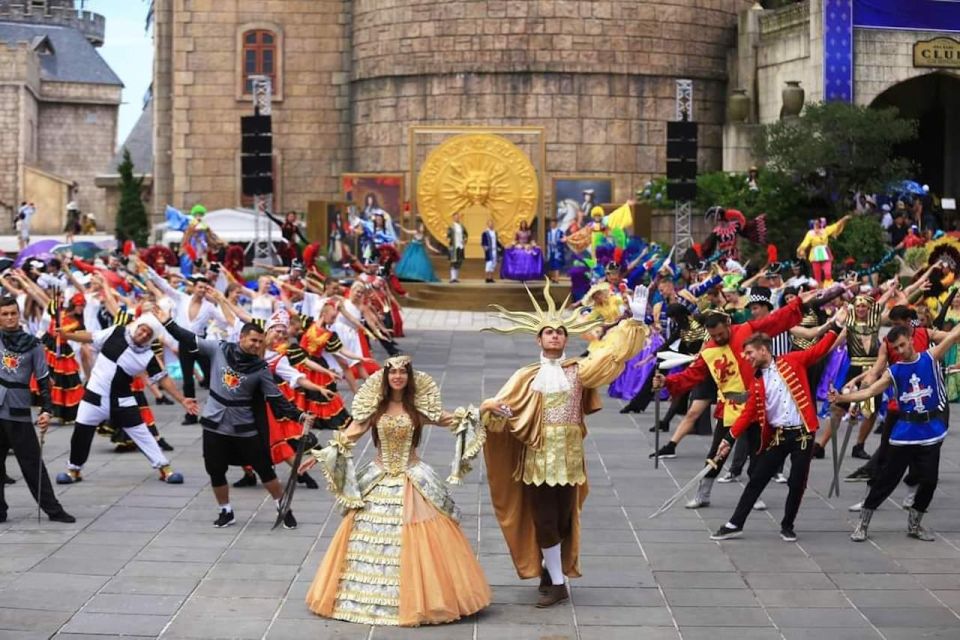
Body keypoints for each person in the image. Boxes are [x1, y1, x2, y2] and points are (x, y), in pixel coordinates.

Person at [480, 282, 649, 607]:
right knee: (543, 516)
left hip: (570, 459)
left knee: (563, 519)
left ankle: (551, 570)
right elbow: (502, 409)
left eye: (560, 332)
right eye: (548, 332)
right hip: (537, 458)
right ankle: (558, 583)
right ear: (538, 339)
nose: (555, 336)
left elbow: (613, 356)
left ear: (566, 339)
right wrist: (493, 411)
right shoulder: (526, 376)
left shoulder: (579, 371)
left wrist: (634, 324)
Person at [300, 355, 490, 626]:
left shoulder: (418, 409)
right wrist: (319, 454)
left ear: (408, 377)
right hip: (379, 476)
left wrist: (486, 409)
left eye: (402, 372)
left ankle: (430, 598)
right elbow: (349, 436)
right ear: (386, 377)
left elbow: (453, 419)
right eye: (393, 372)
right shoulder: (374, 408)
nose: (398, 376)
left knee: (424, 533)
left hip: (412, 476)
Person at [653, 287, 839, 509]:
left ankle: (754, 494)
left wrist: (798, 303)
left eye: (721, 334)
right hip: (730, 406)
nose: (718, 338)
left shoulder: (747, 330)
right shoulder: (710, 350)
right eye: (713, 336)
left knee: (757, 453)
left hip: (757, 403)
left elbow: (776, 321)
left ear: (728, 325)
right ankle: (703, 493)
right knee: (717, 452)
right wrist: (668, 382)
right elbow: (693, 374)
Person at [158, 307, 315, 527]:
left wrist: (299, 416)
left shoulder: (260, 369)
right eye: (253, 340)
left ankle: (283, 507)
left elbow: (276, 398)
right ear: (241, 337)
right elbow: (189, 338)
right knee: (215, 470)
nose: (257, 345)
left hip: (245, 428)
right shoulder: (219, 349)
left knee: (265, 470)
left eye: (260, 342)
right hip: (215, 423)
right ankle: (226, 511)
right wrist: (167, 323)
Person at [711, 313, 845, 542]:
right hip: (779, 437)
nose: (747, 357)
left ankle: (787, 524)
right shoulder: (756, 381)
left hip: (803, 434)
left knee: (797, 482)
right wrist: (728, 439)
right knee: (757, 479)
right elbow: (747, 414)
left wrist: (835, 326)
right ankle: (735, 523)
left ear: (763, 350)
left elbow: (819, 350)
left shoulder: (792, 361)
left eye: (750, 353)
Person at [831, 321, 960, 542]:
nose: (900, 351)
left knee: (929, 481)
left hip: (930, 431)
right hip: (905, 433)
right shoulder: (894, 371)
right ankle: (862, 523)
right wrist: (843, 398)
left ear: (911, 339)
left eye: (902, 345)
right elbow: (870, 391)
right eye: (896, 348)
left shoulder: (931, 357)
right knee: (886, 480)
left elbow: (954, 334)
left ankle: (915, 525)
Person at [54, 313, 195, 485]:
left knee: (143, 434)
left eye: (148, 335)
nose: (143, 335)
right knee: (80, 433)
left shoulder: (148, 355)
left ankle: (165, 469)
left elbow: (163, 379)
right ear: (137, 326)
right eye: (143, 330)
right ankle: (74, 470)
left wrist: (182, 400)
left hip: (121, 400)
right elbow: (92, 336)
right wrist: (67, 335)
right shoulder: (116, 331)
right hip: (94, 396)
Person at [0, 297, 75, 523]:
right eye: (4, 314)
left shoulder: (33, 344)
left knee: (32, 463)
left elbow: (43, 380)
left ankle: (53, 509)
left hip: (17, 409)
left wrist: (46, 410)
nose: (10, 317)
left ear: (18, 314)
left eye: (13, 313)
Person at [143, 263, 224, 424]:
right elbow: (165, 286)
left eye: (204, 288)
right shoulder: (182, 299)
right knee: (188, 380)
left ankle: (217, 412)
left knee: (211, 378)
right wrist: (149, 271)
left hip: (200, 343)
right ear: (194, 288)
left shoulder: (209, 307)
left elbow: (223, 321)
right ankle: (191, 414)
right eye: (199, 287)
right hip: (184, 345)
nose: (202, 290)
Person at [796, 215, 850, 284]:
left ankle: (828, 286)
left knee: (828, 273)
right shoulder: (810, 233)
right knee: (817, 275)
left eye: (818, 223)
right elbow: (805, 243)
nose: (817, 224)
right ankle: (819, 289)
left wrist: (844, 219)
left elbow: (836, 225)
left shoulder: (825, 230)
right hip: (815, 254)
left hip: (825, 253)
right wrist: (801, 249)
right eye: (815, 223)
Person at [446, 212, 467, 283]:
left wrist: (465, 239)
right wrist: (448, 241)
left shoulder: (462, 227)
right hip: (453, 246)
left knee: (459, 262)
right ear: (453, 218)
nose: (457, 218)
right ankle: (452, 278)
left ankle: (456, 278)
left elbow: (465, 234)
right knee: (453, 262)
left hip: (460, 246)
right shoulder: (451, 227)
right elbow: (448, 236)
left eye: (458, 217)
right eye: (455, 217)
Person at [480, 219, 501, 283]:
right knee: (489, 263)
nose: (491, 225)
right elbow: (483, 242)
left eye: (492, 224)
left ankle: (491, 277)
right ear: (487, 224)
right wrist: (484, 247)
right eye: (490, 223)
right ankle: (487, 277)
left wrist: (499, 247)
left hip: (495, 250)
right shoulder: (485, 233)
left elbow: (496, 241)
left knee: (494, 264)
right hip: (489, 250)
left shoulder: (495, 232)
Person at [546, 218, 566, 283]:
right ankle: (553, 278)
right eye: (551, 223)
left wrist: (557, 242)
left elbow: (563, 240)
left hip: (557, 250)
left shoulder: (560, 232)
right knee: (551, 264)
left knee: (557, 264)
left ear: (556, 224)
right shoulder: (548, 232)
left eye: (554, 223)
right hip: (550, 250)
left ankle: (557, 278)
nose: (552, 224)